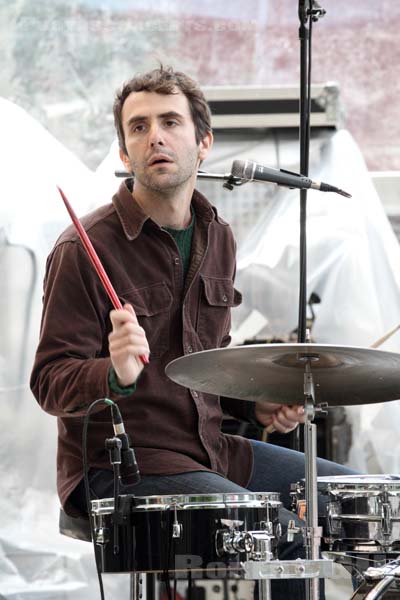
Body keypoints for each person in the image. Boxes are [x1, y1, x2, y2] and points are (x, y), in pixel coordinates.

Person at [31, 66, 353, 598]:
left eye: (169, 121)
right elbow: (48, 382)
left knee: (352, 502)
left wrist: (254, 408)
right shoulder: (81, 249)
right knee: (285, 537)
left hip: (211, 449)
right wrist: (112, 373)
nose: (154, 135)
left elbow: (205, 367)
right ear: (123, 154)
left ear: (203, 143)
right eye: (137, 127)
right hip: (125, 465)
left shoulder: (217, 235)